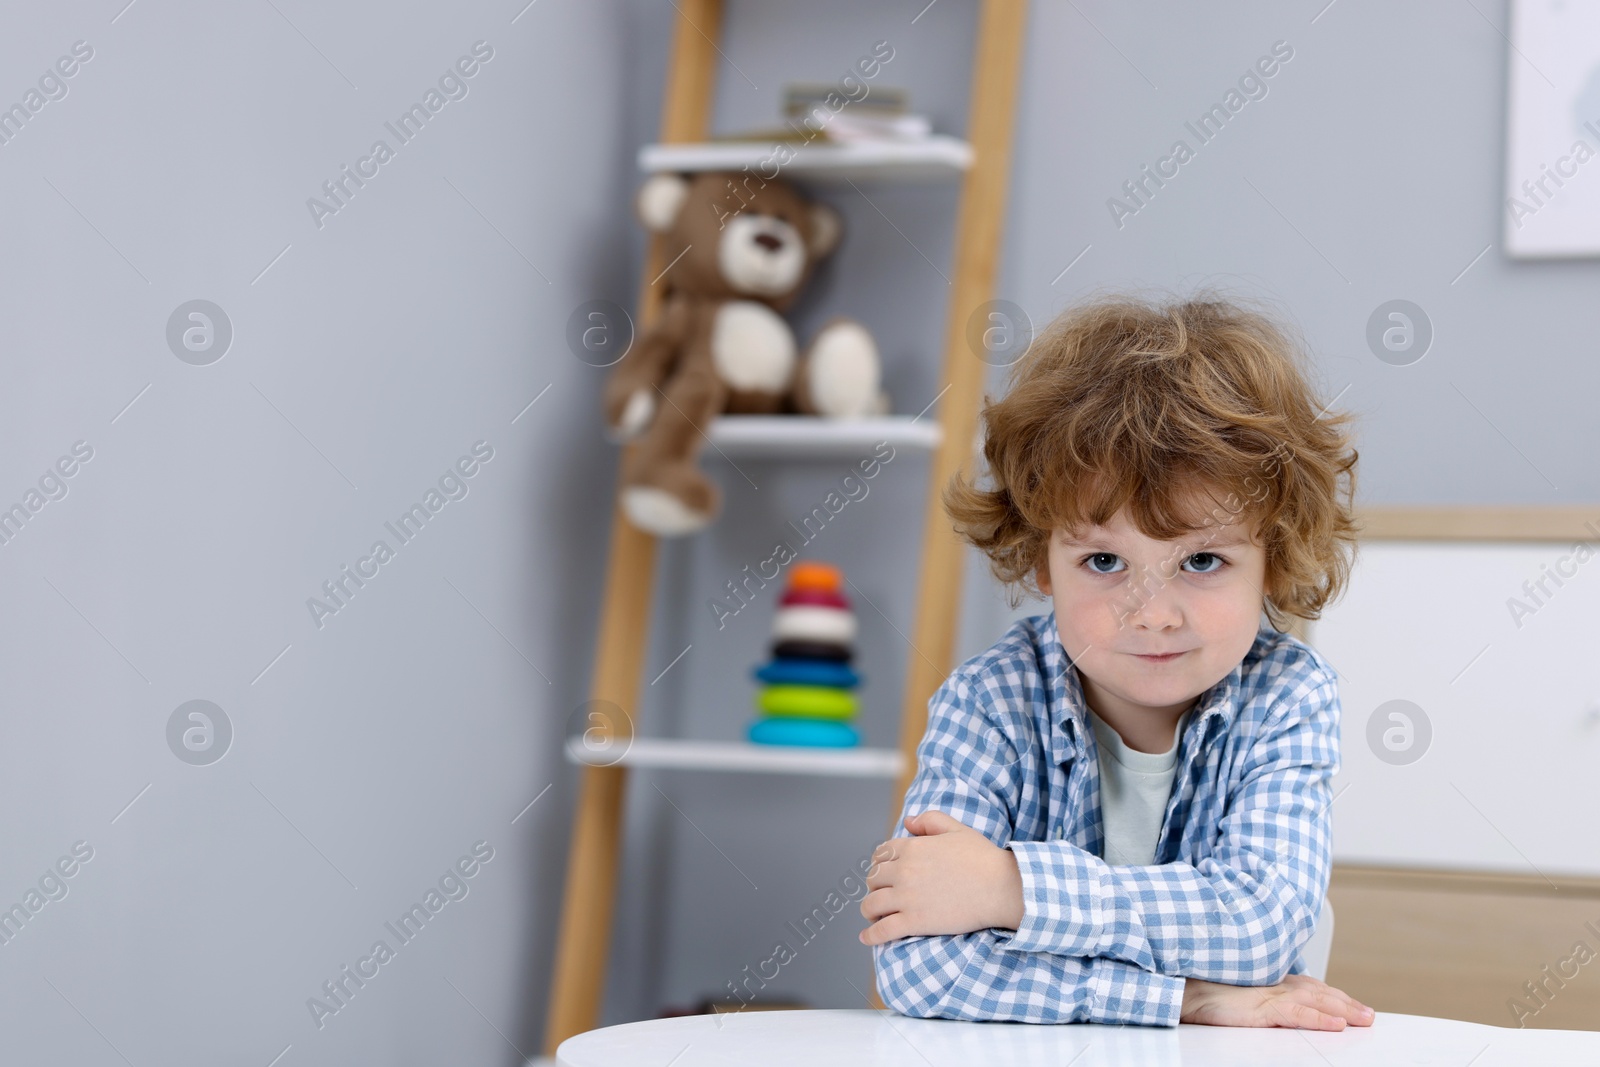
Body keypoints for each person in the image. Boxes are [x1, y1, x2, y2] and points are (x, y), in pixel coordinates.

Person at [860, 291, 1374, 1030]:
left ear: (1273, 558)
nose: (1153, 612)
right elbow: (917, 963)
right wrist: (1186, 997)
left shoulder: (1286, 695)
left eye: (1201, 559)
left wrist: (1015, 890)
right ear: (1043, 559)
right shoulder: (989, 702)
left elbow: (1262, 923)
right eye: (1104, 559)